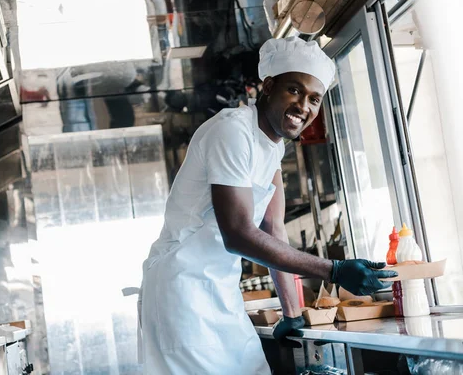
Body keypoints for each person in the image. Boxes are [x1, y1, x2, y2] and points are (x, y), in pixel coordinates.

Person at [139, 37, 398, 374]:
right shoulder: (232, 132)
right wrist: (333, 270)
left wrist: (292, 315)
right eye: (295, 91)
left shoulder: (273, 147)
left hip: (217, 288)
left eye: (314, 99)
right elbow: (238, 234)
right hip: (183, 292)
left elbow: (274, 229)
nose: (303, 106)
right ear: (269, 85)